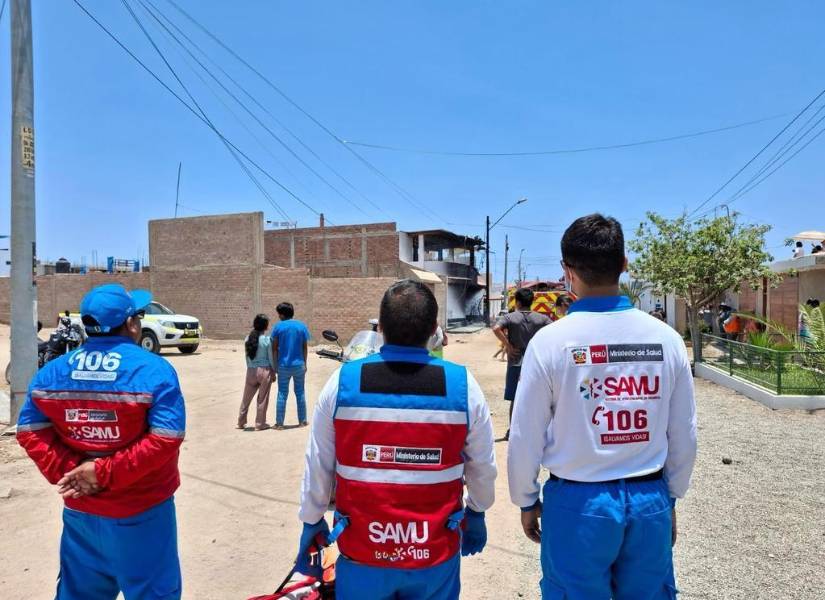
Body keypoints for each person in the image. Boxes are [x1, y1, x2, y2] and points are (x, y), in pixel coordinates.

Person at [508, 214, 697, 599]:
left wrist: (526, 499)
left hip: (577, 504)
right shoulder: (666, 339)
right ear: (624, 264)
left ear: (567, 271)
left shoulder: (550, 343)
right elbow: (684, 432)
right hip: (648, 499)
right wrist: (669, 498)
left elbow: (525, 434)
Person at [297, 280, 497, 599]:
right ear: (434, 329)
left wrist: (311, 519)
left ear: (381, 327)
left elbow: (319, 461)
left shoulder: (342, 383)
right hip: (434, 557)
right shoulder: (463, 386)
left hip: (362, 554)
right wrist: (477, 510)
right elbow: (482, 465)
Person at [16, 283, 186, 600]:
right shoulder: (154, 370)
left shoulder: (52, 372)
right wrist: (101, 472)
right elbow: (166, 438)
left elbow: (29, 430)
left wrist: (73, 471)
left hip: (80, 513)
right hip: (143, 513)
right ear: (131, 323)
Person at [492, 288, 552, 440]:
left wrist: (508, 346)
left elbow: (496, 328)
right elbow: (554, 330)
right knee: (538, 398)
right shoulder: (542, 318)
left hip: (516, 362)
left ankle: (513, 430)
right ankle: (537, 430)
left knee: (515, 399)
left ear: (517, 302)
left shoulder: (510, 317)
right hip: (537, 364)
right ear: (531, 301)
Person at [271, 302, 310, 429]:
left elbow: (274, 348)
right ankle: (302, 421)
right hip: (299, 365)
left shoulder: (278, 327)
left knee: (282, 393)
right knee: (300, 392)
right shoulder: (301, 326)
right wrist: (305, 363)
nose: (278, 316)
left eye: (279, 314)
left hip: (283, 366)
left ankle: (279, 423)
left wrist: (275, 365)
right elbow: (304, 347)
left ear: (282, 314)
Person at [238, 313, 276, 431]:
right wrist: (273, 371)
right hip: (264, 371)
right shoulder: (267, 340)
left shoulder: (247, 339)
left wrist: (250, 368)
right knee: (262, 399)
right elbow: (270, 358)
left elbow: (247, 357)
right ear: (265, 326)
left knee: (246, 398)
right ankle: (260, 424)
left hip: (251, 370)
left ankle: (241, 422)